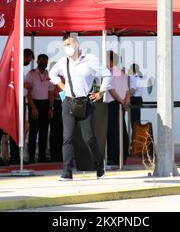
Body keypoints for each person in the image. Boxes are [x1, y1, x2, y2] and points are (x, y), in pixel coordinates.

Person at [49, 33, 112, 180]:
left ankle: (99, 165)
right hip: (69, 102)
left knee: (89, 137)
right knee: (67, 138)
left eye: (69, 44)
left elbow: (107, 74)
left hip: (85, 102)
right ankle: (67, 171)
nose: (67, 48)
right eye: (64, 45)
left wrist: (100, 92)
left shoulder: (90, 59)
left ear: (77, 44)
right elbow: (52, 74)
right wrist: (62, 86)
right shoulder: (63, 61)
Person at [26, 54, 55, 163]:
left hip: (46, 104)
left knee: (44, 132)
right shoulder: (31, 74)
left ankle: (42, 156)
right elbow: (27, 92)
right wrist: (33, 107)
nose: (44, 63)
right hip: (34, 104)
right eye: (42, 61)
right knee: (33, 132)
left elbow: (51, 93)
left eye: (45, 62)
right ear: (37, 62)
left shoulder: (49, 75)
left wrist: (51, 108)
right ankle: (31, 157)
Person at [9, 48, 34, 165]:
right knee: (16, 128)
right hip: (16, 102)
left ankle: (17, 155)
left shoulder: (21, 69)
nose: (28, 62)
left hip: (22, 101)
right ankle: (14, 156)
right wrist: (25, 85)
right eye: (28, 59)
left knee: (21, 129)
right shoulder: (16, 67)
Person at [106, 51, 130, 166]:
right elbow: (127, 91)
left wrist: (120, 101)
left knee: (113, 131)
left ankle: (113, 156)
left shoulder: (109, 73)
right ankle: (123, 155)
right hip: (122, 104)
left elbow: (112, 90)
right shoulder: (122, 73)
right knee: (122, 130)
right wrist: (125, 102)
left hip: (113, 104)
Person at [49, 61, 64, 162]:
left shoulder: (63, 77)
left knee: (62, 131)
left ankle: (61, 154)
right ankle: (54, 154)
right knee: (54, 131)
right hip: (55, 104)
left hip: (63, 104)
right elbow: (52, 93)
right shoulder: (52, 79)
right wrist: (51, 107)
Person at [129, 63, 144, 127]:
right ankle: (137, 135)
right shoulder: (140, 77)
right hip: (139, 99)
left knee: (134, 121)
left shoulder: (134, 78)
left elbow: (132, 90)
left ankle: (135, 135)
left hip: (134, 99)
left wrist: (126, 96)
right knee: (137, 120)